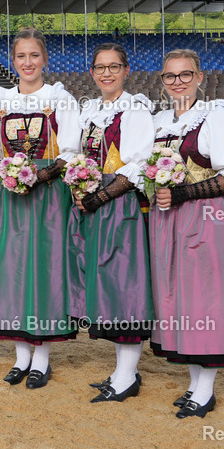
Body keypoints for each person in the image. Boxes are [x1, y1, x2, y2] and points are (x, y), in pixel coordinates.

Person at [149, 48, 224, 419]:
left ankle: (206, 389)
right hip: (168, 220)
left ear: (199, 77)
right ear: (162, 81)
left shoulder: (215, 117)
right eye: (170, 76)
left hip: (207, 217)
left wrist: (181, 193)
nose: (177, 82)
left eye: (185, 74)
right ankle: (195, 382)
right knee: (181, 297)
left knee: (206, 297)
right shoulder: (161, 122)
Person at [0, 28, 79, 389]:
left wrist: (38, 177)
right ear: (13, 61)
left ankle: (41, 358)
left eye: (34, 56)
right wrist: (2, 170)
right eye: (21, 56)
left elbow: (70, 152)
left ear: (45, 59)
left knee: (43, 269)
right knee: (11, 269)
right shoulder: (2, 98)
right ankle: (20, 355)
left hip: (48, 194)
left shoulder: (59, 98)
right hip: (10, 195)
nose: (28, 63)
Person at [63, 43, 155, 403]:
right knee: (102, 282)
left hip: (118, 205)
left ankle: (127, 375)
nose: (106, 73)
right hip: (92, 205)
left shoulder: (135, 109)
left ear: (126, 70)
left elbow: (137, 165)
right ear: (91, 72)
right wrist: (80, 186)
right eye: (100, 67)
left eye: (114, 67)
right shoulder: (89, 111)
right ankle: (121, 370)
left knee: (123, 284)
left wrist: (100, 196)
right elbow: (77, 157)